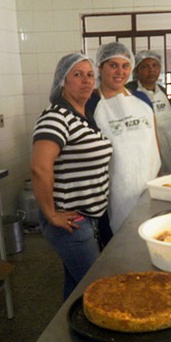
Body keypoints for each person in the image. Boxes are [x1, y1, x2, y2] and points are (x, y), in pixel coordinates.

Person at [31, 53, 113, 300]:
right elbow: (40, 167)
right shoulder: (56, 117)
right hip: (72, 222)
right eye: (77, 75)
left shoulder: (84, 117)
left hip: (88, 217)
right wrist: (51, 214)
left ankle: (66, 324)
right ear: (62, 81)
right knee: (97, 290)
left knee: (76, 285)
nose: (86, 81)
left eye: (90, 75)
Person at [89, 42, 161, 233]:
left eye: (125, 66)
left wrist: (159, 177)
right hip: (111, 192)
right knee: (117, 241)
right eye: (113, 65)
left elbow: (154, 142)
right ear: (100, 68)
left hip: (148, 184)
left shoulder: (142, 100)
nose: (120, 71)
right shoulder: (91, 103)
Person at [126, 50, 171, 174]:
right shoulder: (129, 91)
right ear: (136, 71)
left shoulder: (162, 91)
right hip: (145, 147)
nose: (151, 70)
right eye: (145, 66)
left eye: (155, 65)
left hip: (169, 144)